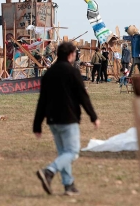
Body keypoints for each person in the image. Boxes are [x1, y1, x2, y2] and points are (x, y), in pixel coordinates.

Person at [33, 42, 100, 196]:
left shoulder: (49, 74)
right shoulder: (72, 72)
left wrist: (37, 125)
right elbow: (83, 96)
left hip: (52, 120)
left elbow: (42, 100)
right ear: (70, 54)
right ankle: (49, 171)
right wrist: (93, 117)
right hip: (68, 118)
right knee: (73, 152)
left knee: (64, 153)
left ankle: (68, 185)